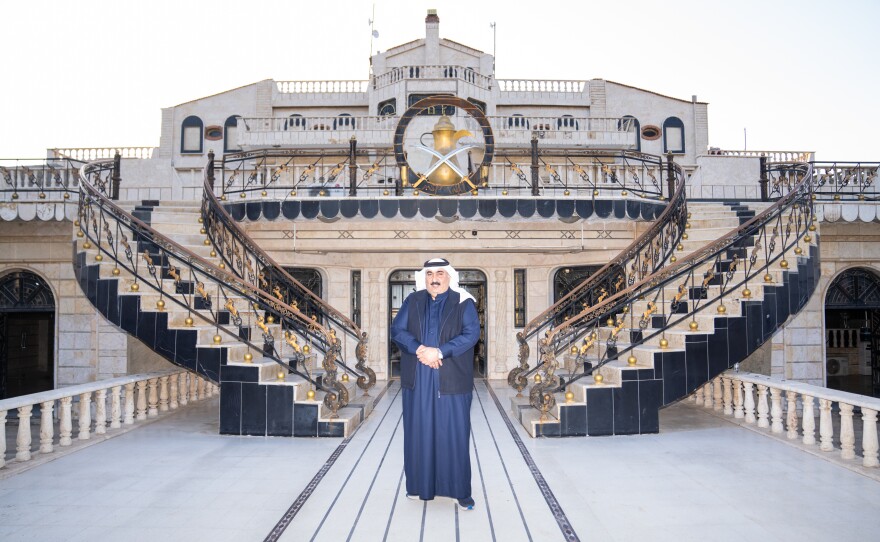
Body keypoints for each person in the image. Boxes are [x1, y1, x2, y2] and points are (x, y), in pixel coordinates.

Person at [390, 258, 481, 510]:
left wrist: (439, 352)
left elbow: (471, 334)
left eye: (440, 273)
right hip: (417, 380)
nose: (434, 278)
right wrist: (419, 348)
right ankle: (419, 486)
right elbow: (397, 330)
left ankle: (460, 491)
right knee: (418, 433)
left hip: (451, 379)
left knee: (453, 434)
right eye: (430, 274)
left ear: (449, 276)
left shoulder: (464, 303)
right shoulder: (413, 300)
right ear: (424, 278)